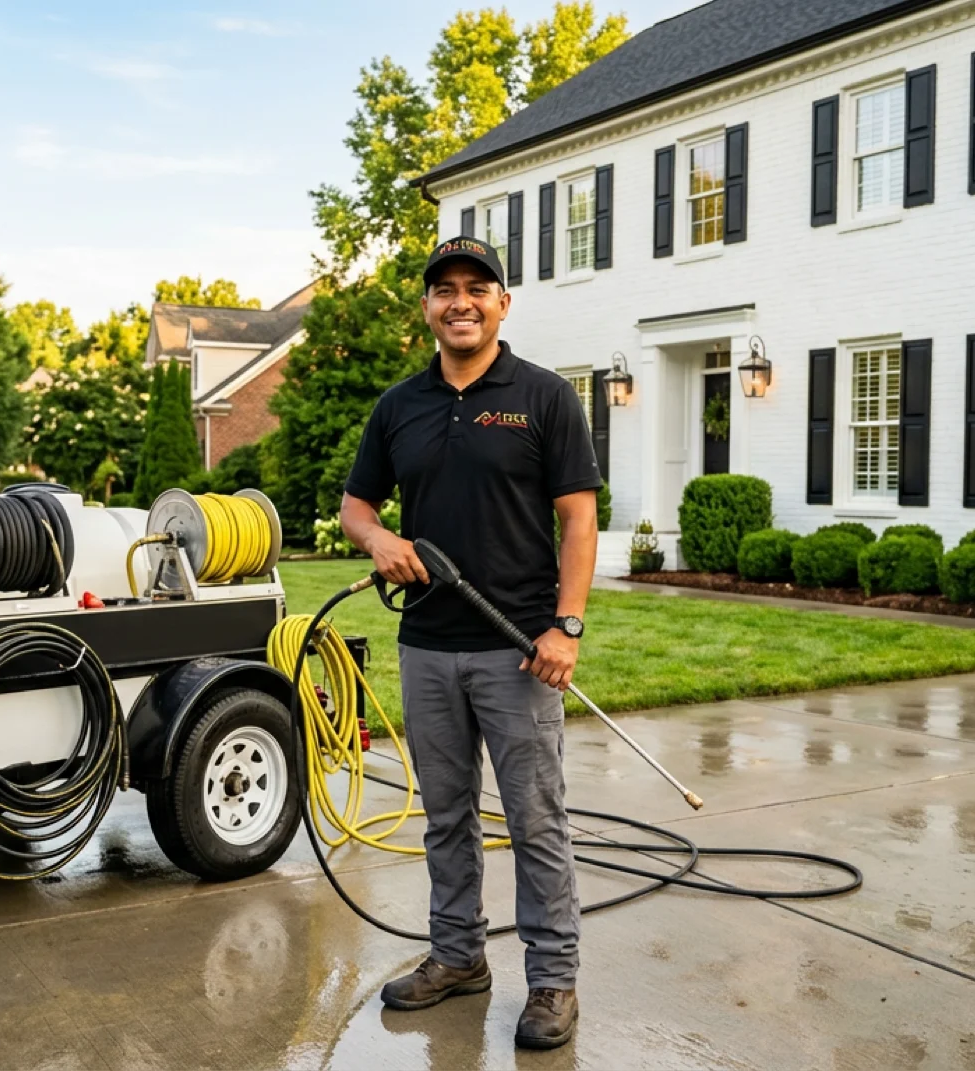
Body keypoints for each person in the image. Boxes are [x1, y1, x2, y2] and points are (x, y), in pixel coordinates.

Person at [339, 235, 601, 1050]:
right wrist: (378, 538)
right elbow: (357, 505)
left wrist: (566, 624)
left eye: (476, 287)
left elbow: (580, 517)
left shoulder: (545, 396)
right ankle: (458, 956)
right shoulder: (400, 405)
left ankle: (553, 980)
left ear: (502, 303)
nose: (461, 301)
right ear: (427, 307)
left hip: (518, 648)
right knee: (445, 815)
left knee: (535, 818)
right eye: (445, 289)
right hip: (427, 644)